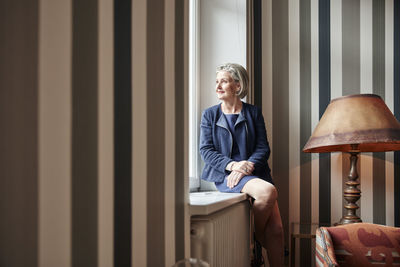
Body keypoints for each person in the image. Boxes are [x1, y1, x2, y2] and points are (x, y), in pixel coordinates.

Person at [199, 63, 284, 266]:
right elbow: (206, 151)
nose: (218, 86)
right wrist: (232, 166)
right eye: (217, 81)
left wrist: (247, 165)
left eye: (224, 81)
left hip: (255, 172)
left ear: (237, 86)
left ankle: (261, 242)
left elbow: (263, 148)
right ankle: (255, 237)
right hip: (227, 176)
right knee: (267, 192)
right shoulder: (209, 115)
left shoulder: (253, 112)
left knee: (278, 231)